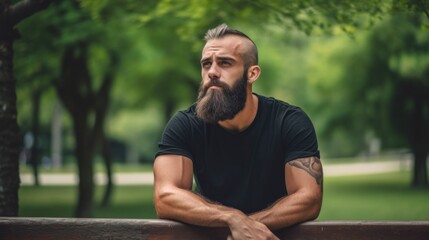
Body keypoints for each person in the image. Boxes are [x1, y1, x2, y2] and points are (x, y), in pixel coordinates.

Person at [153, 23, 323, 240]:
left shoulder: (289, 121)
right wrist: (232, 219)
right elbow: (165, 197)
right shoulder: (185, 124)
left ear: (252, 73)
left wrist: (247, 228)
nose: (212, 72)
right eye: (206, 64)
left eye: (225, 63)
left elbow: (309, 199)